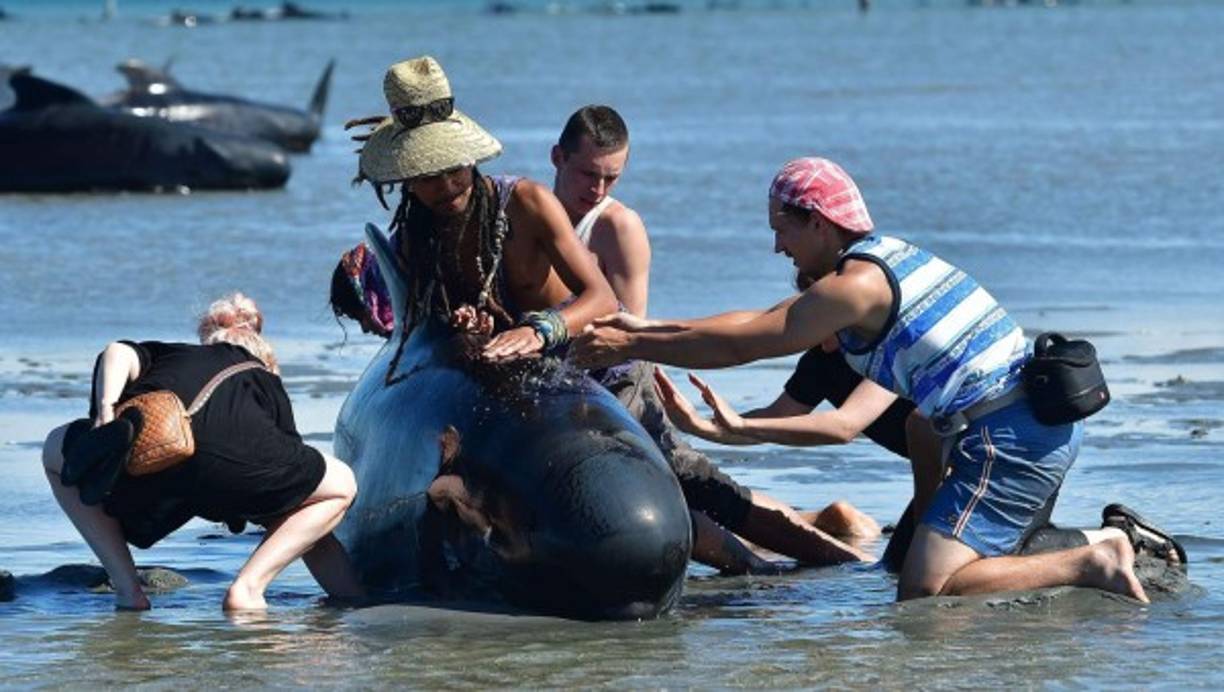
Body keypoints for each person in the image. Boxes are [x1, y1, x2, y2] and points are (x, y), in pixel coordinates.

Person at [574, 156, 1155, 602]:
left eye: (784, 229)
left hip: (1005, 436)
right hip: (1016, 427)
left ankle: (1094, 559)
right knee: (927, 553)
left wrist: (631, 342)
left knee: (926, 591)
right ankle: (1096, 545)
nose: (778, 245)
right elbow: (757, 320)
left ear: (821, 224)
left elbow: (750, 339)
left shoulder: (857, 286)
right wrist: (647, 326)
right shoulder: (883, 258)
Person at [42, 293, 362, 611]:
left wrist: (104, 413)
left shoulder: (174, 354)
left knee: (54, 454)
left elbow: (117, 351)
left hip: (148, 454)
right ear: (263, 357)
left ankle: (128, 590)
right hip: (238, 466)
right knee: (336, 487)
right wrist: (355, 597)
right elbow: (295, 499)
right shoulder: (264, 378)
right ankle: (249, 589)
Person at [341, 55, 617, 364]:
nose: (447, 186)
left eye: (455, 169)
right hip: (504, 373)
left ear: (472, 159)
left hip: (587, 362)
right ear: (407, 181)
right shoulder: (415, 239)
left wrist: (539, 331)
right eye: (429, 176)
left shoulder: (527, 203)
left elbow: (603, 299)